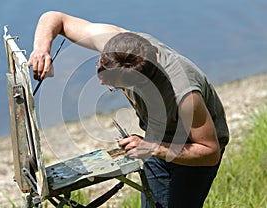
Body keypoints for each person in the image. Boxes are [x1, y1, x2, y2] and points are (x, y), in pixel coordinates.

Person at [28, 11, 229, 208]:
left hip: (193, 150)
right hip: (155, 138)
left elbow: (210, 152)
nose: (101, 84)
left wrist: (153, 148)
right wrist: (41, 50)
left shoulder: (183, 95)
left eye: (115, 86)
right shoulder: (116, 43)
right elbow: (55, 19)